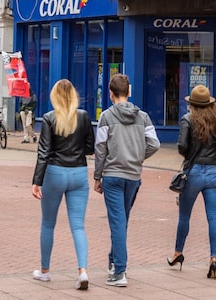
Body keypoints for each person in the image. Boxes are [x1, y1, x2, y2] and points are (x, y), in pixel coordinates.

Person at [93, 73, 160, 287]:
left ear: (111, 94)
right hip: (133, 176)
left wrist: (97, 176)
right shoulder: (143, 117)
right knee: (121, 221)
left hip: (112, 175)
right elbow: (154, 144)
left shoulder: (106, 117)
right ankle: (114, 262)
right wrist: (138, 157)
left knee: (117, 222)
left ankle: (119, 271)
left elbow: (100, 148)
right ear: (129, 92)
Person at [31, 80, 95, 290]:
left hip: (54, 172)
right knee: (78, 225)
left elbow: (44, 152)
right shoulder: (84, 116)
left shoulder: (49, 118)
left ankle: (45, 271)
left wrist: (36, 181)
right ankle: (83, 271)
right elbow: (90, 148)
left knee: (48, 223)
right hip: (78, 173)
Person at [169, 85, 216, 280]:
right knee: (213, 216)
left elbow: (182, 146)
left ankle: (178, 252)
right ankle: (213, 258)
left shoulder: (187, 120)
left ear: (191, 104)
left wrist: (189, 157)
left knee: (184, 216)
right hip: (212, 171)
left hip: (193, 172)